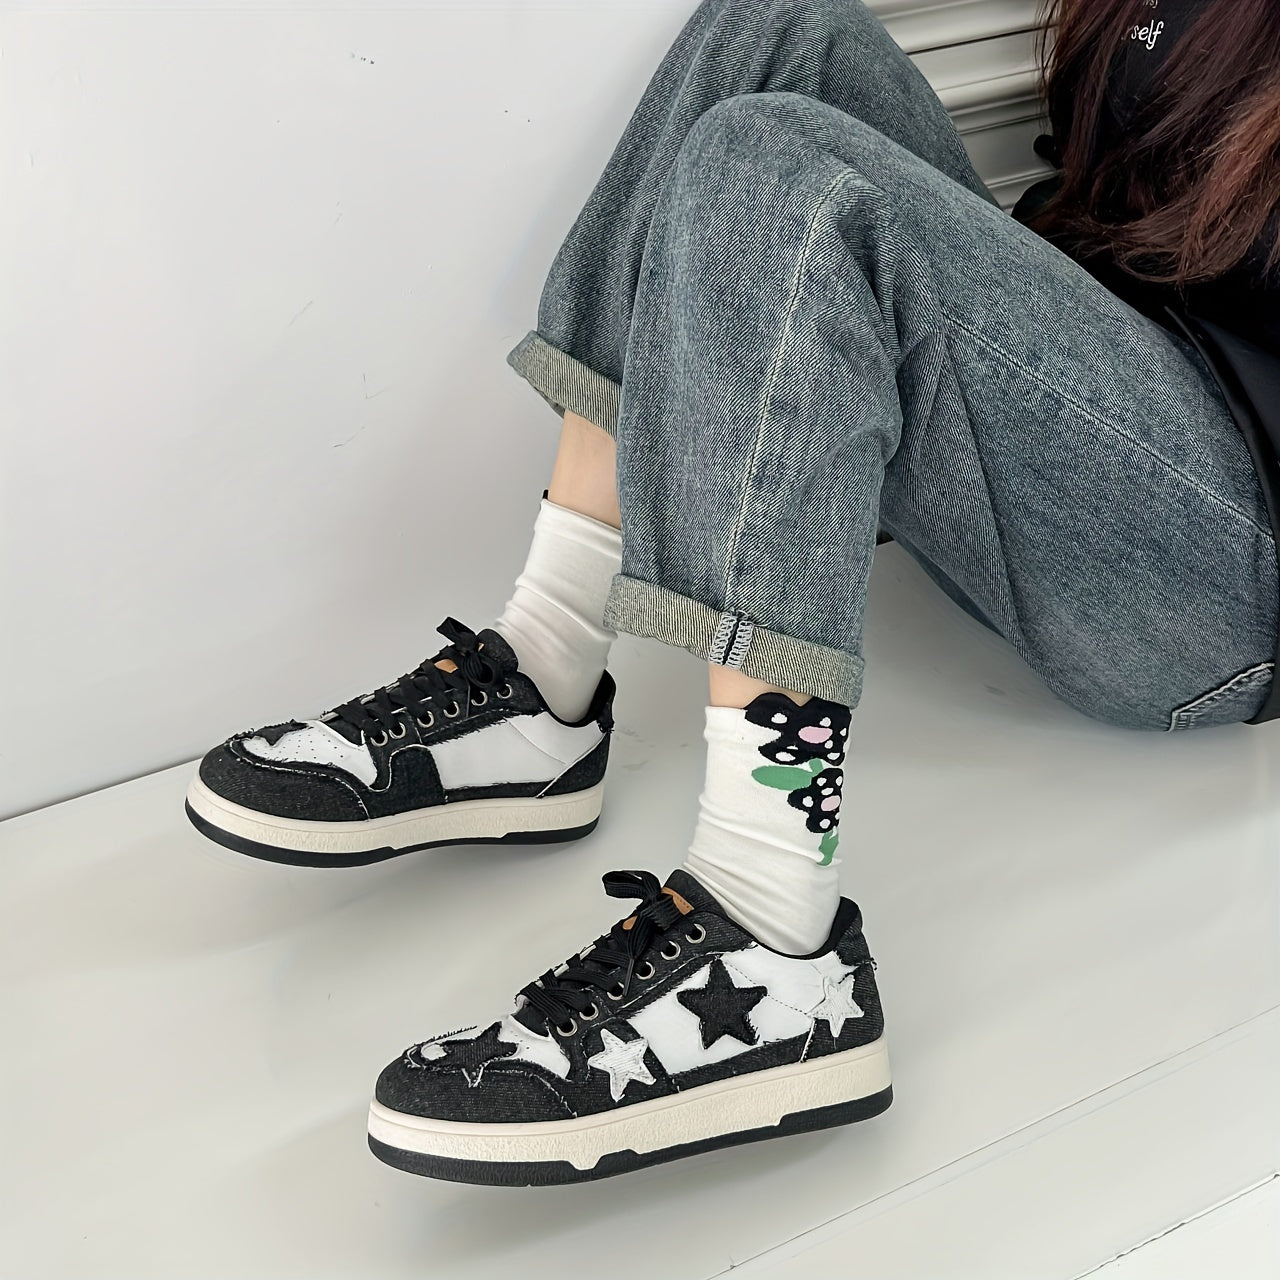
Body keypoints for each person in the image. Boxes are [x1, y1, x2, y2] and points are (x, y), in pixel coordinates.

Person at [185, 0, 1280, 1185]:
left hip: (1217, 570)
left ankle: (770, 932)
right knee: (781, 26)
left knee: (780, 162)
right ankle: (545, 662)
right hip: (1106, 414)